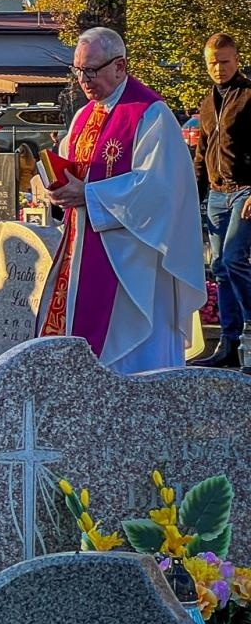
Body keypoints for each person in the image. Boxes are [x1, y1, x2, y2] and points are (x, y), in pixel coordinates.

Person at [34, 27, 205, 372]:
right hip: (81, 249)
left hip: (133, 260)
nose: (84, 79)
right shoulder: (83, 117)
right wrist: (57, 191)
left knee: (134, 355)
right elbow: (73, 173)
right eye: (78, 70)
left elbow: (160, 189)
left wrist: (89, 194)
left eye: (92, 70)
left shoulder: (151, 114)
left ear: (120, 66)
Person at [191, 32, 251, 367]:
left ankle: (249, 327)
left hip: (245, 191)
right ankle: (229, 345)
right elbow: (201, 153)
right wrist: (193, 197)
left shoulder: (249, 96)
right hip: (216, 194)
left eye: (225, 62)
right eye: (213, 63)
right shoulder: (208, 100)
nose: (219, 69)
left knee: (233, 260)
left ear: (237, 60)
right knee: (220, 269)